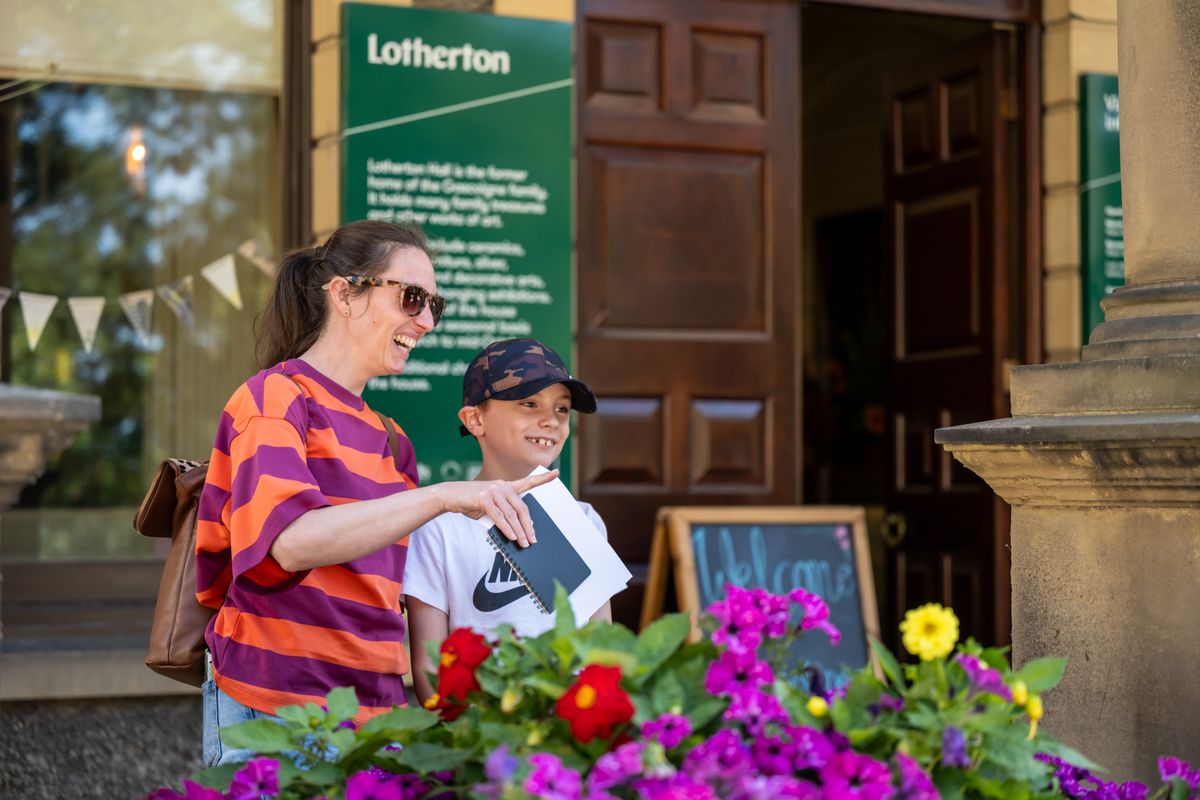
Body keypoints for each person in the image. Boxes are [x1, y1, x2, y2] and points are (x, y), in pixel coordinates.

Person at [195, 221, 555, 767]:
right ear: (343, 294)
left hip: (377, 718)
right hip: (279, 707)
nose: (426, 321)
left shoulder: (393, 439)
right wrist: (440, 497)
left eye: (436, 304)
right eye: (412, 298)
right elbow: (291, 544)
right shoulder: (274, 398)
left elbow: (393, 596)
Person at [403, 338, 617, 707]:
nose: (551, 420)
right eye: (529, 403)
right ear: (475, 419)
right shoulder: (436, 527)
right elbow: (429, 669)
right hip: (482, 735)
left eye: (563, 409)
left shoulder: (585, 520)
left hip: (570, 735)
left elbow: (602, 647)